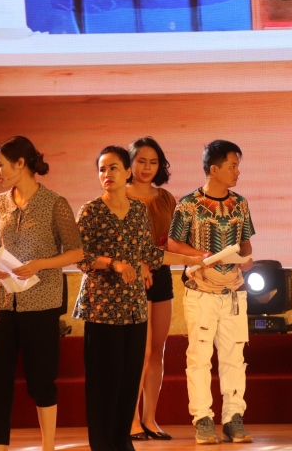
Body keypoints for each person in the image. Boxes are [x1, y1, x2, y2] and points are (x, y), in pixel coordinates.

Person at [74, 146, 204, 451]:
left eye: (113, 168)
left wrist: (193, 259)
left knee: (129, 378)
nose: (107, 174)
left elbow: (150, 254)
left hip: (134, 308)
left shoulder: (137, 211)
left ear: (127, 172)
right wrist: (115, 264)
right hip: (102, 309)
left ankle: (122, 443)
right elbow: (81, 256)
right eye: (102, 169)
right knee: (104, 382)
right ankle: (102, 444)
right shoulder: (91, 210)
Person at [0, 136, 84, 451]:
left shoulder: (55, 203)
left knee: (42, 380)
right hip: (1, 303)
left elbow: (77, 252)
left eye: (0, 164)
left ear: (20, 164)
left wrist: (41, 263)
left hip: (41, 305)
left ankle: (48, 445)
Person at [168, 140, 256, 444]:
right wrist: (199, 255)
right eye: (233, 166)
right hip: (200, 291)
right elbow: (173, 243)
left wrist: (246, 259)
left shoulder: (240, 204)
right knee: (200, 357)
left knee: (234, 358)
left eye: (237, 166)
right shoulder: (188, 204)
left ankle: (233, 419)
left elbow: (246, 243)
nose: (237, 172)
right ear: (214, 169)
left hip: (233, 292)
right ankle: (203, 419)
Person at [125, 138, 177, 441]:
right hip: (134, 278)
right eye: (141, 161)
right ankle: (131, 420)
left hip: (162, 275)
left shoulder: (167, 198)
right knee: (140, 352)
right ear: (130, 163)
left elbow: (172, 241)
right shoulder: (120, 196)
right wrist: (140, 262)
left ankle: (150, 419)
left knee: (158, 350)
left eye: (153, 162)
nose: (147, 167)